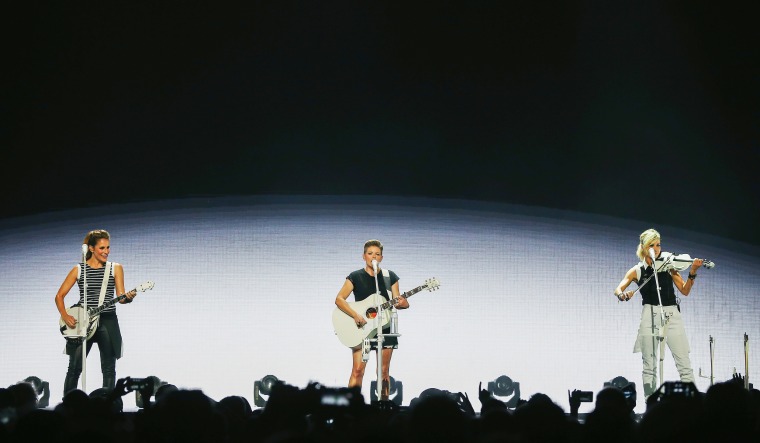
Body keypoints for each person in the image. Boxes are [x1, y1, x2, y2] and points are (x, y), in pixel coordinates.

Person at [613, 228, 704, 399]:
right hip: (650, 314)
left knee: (684, 362)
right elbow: (618, 289)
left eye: (658, 245)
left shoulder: (668, 265)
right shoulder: (637, 270)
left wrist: (692, 273)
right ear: (643, 247)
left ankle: (692, 403)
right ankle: (650, 403)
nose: (656, 249)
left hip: (671, 313)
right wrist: (622, 294)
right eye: (652, 245)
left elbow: (684, 291)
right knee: (649, 365)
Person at [55, 229, 137, 397]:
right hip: (83, 320)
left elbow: (120, 298)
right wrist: (65, 316)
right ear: (91, 248)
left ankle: (109, 404)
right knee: (74, 368)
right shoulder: (79, 269)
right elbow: (59, 296)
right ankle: (69, 405)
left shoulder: (116, 268)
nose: (106, 251)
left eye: (108, 247)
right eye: (102, 248)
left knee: (108, 369)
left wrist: (128, 298)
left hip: (107, 320)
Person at [334, 239, 409, 400]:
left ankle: (383, 408)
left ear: (381, 257)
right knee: (358, 370)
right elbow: (339, 299)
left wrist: (404, 303)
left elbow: (398, 302)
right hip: (363, 328)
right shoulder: (355, 276)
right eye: (370, 254)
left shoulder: (390, 277)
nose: (373, 257)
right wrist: (355, 315)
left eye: (377, 254)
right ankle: (351, 407)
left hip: (385, 327)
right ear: (364, 256)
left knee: (383, 372)